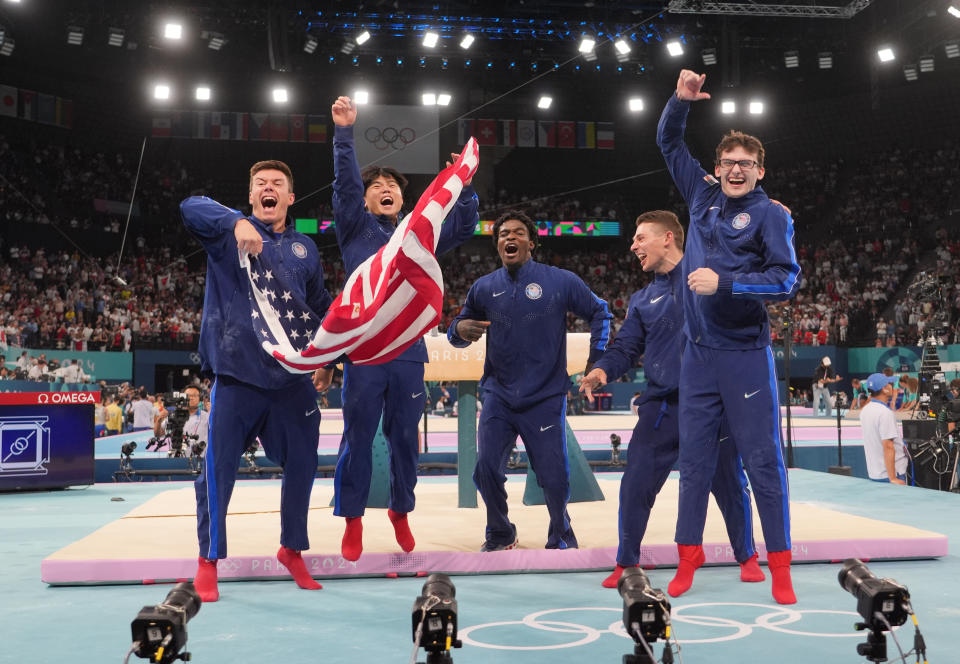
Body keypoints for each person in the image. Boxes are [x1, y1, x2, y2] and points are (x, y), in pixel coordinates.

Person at [657, 69, 802, 604]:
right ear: (716, 169)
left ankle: (779, 563)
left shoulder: (770, 215)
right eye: (727, 163)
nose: (736, 169)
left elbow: (786, 280)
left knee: (762, 460)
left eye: (746, 163)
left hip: (744, 355)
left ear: (760, 171)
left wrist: (729, 283)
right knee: (692, 462)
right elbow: (668, 141)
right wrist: (680, 101)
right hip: (698, 357)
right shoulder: (700, 196)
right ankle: (688, 556)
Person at [580, 210, 764, 589]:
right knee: (635, 484)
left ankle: (746, 555)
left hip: (714, 406)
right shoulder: (643, 298)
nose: (632, 246)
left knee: (729, 482)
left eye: (640, 238)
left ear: (668, 238)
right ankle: (626, 561)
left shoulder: (705, 279)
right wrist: (603, 370)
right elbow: (626, 347)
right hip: (662, 407)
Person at [330, 95, 480, 561]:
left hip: (409, 353)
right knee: (357, 439)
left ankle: (401, 511)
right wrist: (344, 134)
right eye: (378, 186)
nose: (386, 188)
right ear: (367, 198)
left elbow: (464, 225)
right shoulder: (354, 227)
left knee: (404, 441)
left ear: (402, 196)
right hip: (365, 352)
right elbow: (346, 186)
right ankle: (352, 519)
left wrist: (466, 186)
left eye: (393, 184)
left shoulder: (419, 235)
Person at [181, 159, 333, 601]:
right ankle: (209, 559)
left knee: (304, 464)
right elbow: (189, 205)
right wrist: (234, 223)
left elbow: (320, 304)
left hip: (292, 378)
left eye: (278, 185)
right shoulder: (227, 236)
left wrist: (329, 358)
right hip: (237, 374)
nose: (269, 189)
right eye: (260, 184)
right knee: (217, 470)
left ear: (289, 198)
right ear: (251, 197)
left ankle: (292, 549)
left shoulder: (306, 248)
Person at [448, 210, 612, 551]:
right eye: (503, 234)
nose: (510, 237)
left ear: (531, 243)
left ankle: (560, 532)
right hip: (498, 395)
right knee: (485, 469)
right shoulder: (483, 288)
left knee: (554, 478)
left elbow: (601, 311)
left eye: (518, 233)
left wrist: (596, 360)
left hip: (545, 397)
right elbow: (459, 333)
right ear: (497, 245)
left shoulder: (560, 280)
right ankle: (500, 532)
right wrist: (458, 330)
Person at [859, 373, 908, 484]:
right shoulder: (884, 413)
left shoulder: (865, 411)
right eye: (889, 384)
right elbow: (888, 446)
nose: (892, 386)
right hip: (890, 473)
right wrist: (893, 478)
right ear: (884, 389)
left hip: (875, 472)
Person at [154, 385, 210, 452]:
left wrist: (213, 415)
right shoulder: (173, 414)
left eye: (194, 395)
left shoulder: (207, 416)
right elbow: (158, 434)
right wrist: (159, 419)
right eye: (188, 395)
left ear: (200, 399)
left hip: (198, 459)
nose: (191, 398)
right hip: (176, 457)